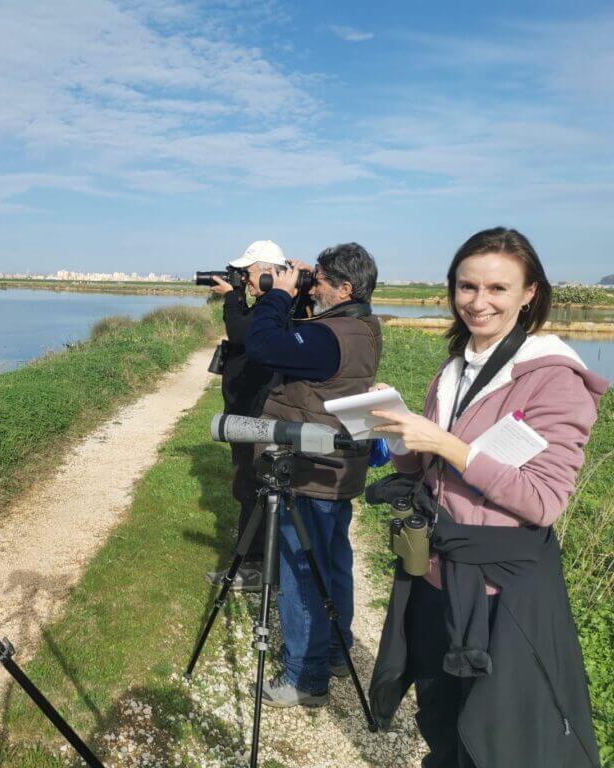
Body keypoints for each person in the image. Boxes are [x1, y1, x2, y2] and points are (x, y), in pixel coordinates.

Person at [369, 227, 604, 767]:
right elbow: (427, 472)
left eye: (498, 288)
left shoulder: (553, 379)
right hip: (435, 574)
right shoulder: (453, 369)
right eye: (467, 286)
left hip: (500, 590)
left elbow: (544, 500)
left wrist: (448, 445)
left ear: (530, 294)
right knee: (439, 715)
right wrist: (398, 432)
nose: (479, 302)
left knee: (493, 735)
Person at [245, 242, 382, 707]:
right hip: (338, 469)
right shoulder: (362, 326)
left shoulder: (330, 338)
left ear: (345, 289)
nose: (313, 285)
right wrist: (304, 290)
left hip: (310, 471)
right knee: (333, 563)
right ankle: (336, 650)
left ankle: (305, 677)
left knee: (302, 570)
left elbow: (263, 346)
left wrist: (277, 296)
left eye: (320, 280)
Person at [205, 240, 288, 592]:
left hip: (255, 412)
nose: (245, 280)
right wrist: (237, 296)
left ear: (269, 273)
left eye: (248, 273)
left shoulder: (274, 308)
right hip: (247, 408)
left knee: (252, 485)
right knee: (250, 484)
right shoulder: (269, 306)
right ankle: (258, 562)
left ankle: (254, 567)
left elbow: (240, 332)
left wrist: (230, 297)